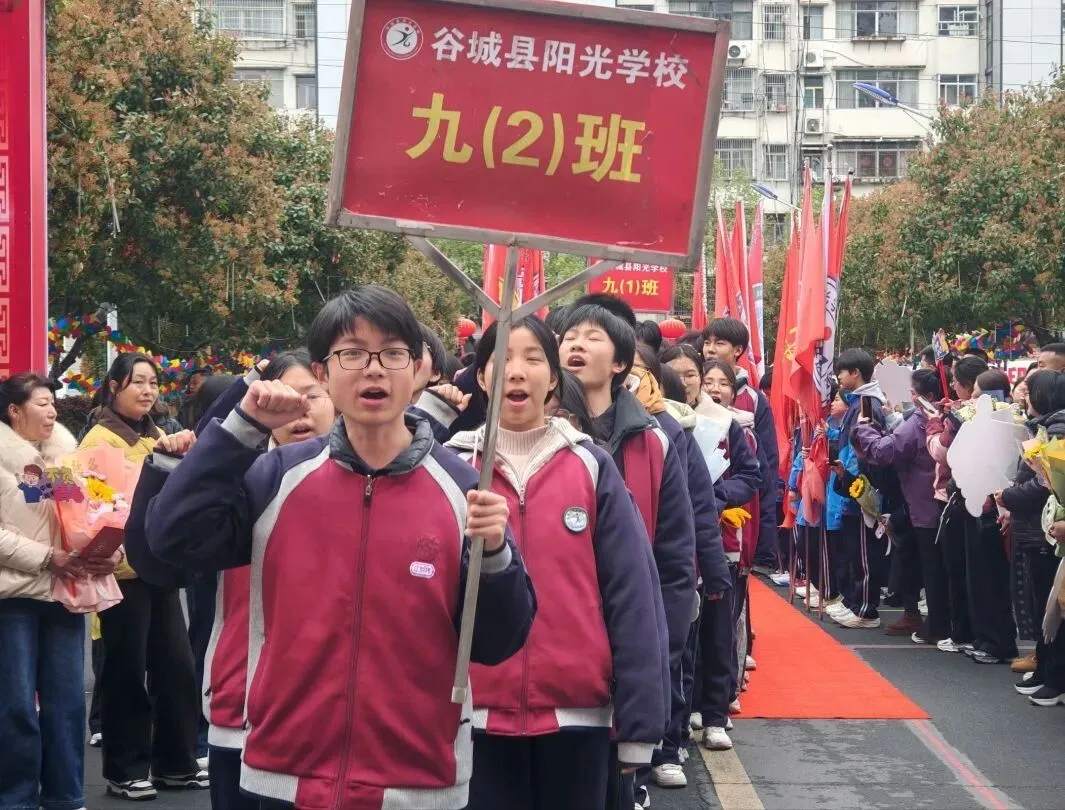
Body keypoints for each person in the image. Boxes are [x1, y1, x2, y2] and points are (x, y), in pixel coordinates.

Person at [144, 284, 536, 810]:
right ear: (324, 373)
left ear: (419, 369)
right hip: (285, 772)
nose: (374, 368)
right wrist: (240, 428)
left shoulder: (464, 486)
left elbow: (497, 641)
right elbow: (172, 537)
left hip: (417, 779)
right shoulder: (276, 475)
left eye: (393, 353)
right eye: (352, 353)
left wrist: (495, 556)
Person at [447, 317, 666, 810]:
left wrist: (638, 726)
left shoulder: (591, 467)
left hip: (578, 719)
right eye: (501, 359)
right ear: (481, 377)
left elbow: (632, 596)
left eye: (532, 358)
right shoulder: (450, 467)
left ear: (552, 377)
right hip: (470, 718)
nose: (517, 372)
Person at [558, 295, 695, 810]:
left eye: (592, 338)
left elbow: (676, 556)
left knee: (619, 780)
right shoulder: (535, 435)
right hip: (562, 649)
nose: (576, 345)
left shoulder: (656, 441)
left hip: (630, 635)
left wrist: (665, 645)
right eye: (569, 337)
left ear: (620, 362)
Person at [80, 353, 208, 799]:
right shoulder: (98, 442)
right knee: (126, 671)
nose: (148, 391)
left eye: (154, 383)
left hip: (159, 566)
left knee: (176, 667)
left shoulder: (161, 437)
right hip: (121, 573)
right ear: (115, 386)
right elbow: (85, 506)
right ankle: (125, 768)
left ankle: (176, 761)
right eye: (138, 382)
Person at [0, 373, 118, 810]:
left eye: (53, 403)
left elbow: (81, 518)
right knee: (14, 706)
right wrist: (48, 557)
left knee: (67, 705)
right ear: (15, 411)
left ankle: (66, 797)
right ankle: (16, 799)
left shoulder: (63, 460)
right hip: (13, 598)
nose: (53, 411)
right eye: (43, 403)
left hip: (66, 594)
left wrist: (100, 545)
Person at [852, 370, 945, 641]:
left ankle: (938, 626)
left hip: (924, 504)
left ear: (928, 396)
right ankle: (921, 616)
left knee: (932, 568)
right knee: (918, 562)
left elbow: (884, 451)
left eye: (914, 394)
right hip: (921, 502)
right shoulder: (934, 417)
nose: (911, 398)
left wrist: (864, 428)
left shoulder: (921, 420)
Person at [999, 370, 1065, 704]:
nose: (1023, 394)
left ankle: (1053, 675)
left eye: (1029, 390)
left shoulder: (1056, 428)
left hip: (1047, 534)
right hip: (1041, 530)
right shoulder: (1045, 425)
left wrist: (1008, 497)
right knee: (1047, 608)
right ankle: (1047, 670)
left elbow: (1044, 484)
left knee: (1051, 607)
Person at [701, 318, 779, 576]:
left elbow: (764, 468)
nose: (710, 349)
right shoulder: (690, 393)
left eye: (719, 343)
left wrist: (765, 547)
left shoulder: (755, 400)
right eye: (707, 342)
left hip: (740, 512)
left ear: (738, 350)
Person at [827, 348, 892, 629]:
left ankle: (866, 609)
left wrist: (851, 475)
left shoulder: (868, 404)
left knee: (865, 552)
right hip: (853, 482)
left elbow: (868, 449)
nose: (839, 377)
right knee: (855, 549)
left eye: (842, 371)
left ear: (855, 373)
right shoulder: (859, 402)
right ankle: (855, 601)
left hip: (864, 486)